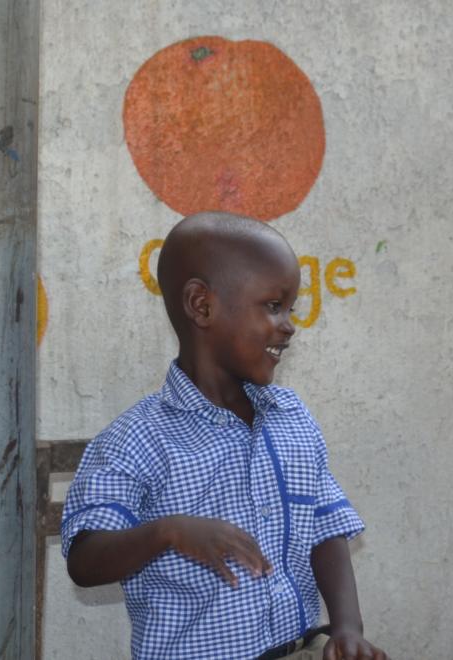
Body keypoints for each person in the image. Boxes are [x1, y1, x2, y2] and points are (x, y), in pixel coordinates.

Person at [61, 211, 386, 659]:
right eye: (274, 306)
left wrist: (348, 627)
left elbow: (326, 528)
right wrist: (167, 532)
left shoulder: (291, 418)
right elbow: (84, 559)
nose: (290, 325)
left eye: (289, 308)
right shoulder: (137, 438)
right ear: (201, 305)